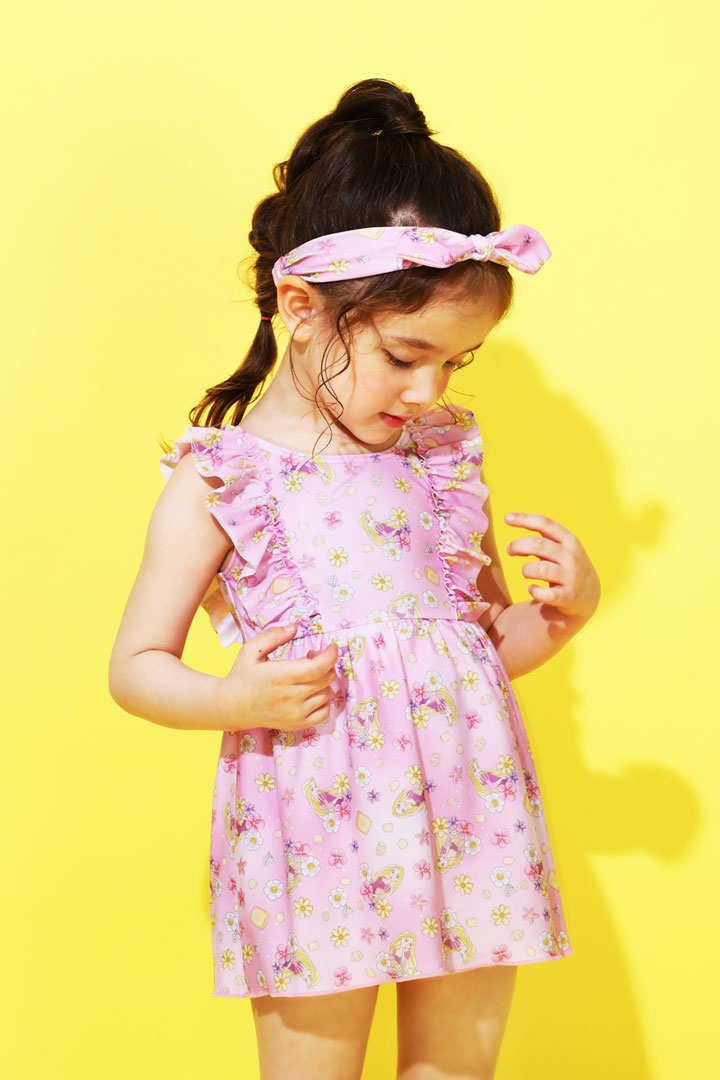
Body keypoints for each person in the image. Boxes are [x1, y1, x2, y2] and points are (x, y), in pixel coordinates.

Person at [109, 77, 601, 1080]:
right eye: (405, 354)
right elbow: (135, 666)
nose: (428, 390)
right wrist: (234, 699)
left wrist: (566, 613)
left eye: (457, 364)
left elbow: (475, 653)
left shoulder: (441, 461)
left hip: (471, 813)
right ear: (301, 306)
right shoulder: (227, 478)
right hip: (312, 830)